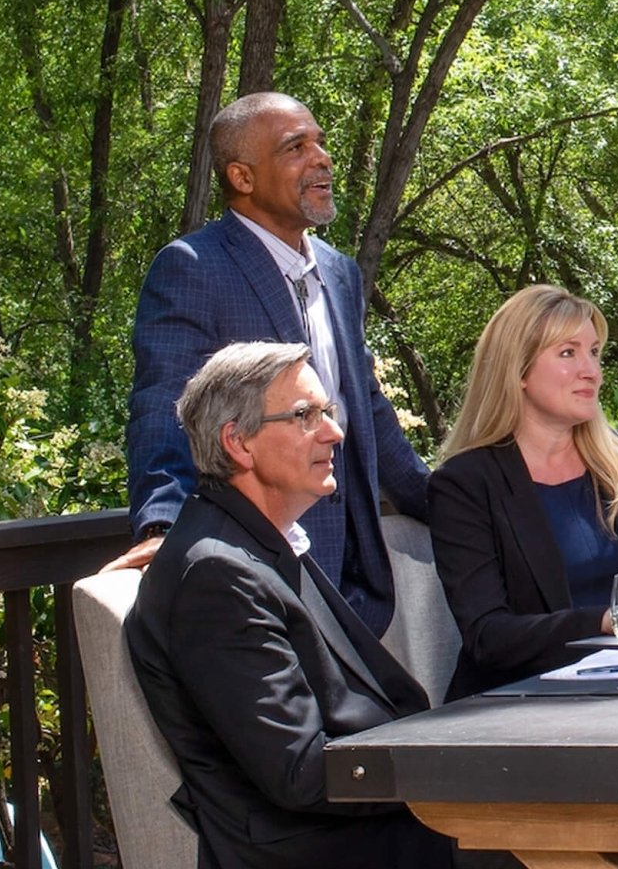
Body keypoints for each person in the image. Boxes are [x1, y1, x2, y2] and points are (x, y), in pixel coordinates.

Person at [126, 342, 457, 869]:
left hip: (364, 824)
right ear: (238, 442)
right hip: (320, 847)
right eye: (305, 416)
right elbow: (300, 772)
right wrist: (446, 772)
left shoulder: (258, 542)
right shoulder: (216, 575)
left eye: (327, 411)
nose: (334, 431)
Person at [120, 92, 430, 636]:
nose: (322, 158)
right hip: (258, 557)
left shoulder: (339, 272)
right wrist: (162, 523)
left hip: (353, 565)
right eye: (296, 147)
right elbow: (163, 406)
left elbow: (365, 408)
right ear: (242, 176)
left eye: (320, 142)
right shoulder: (194, 267)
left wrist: (446, 504)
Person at [429, 284, 618, 700]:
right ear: (517, 371)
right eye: (568, 353)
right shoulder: (465, 484)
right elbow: (488, 635)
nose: (591, 370)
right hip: (519, 708)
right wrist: (602, 622)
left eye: (594, 352)